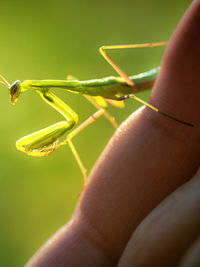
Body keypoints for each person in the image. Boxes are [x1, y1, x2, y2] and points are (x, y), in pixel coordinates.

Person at [27, 0, 200, 266]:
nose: (16, 94)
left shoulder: (63, 88)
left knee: (103, 55)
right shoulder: (59, 91)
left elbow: (73, 121)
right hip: (117, 91)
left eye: (17, 90)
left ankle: (163, 53)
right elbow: (73, 121)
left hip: (127, 84)